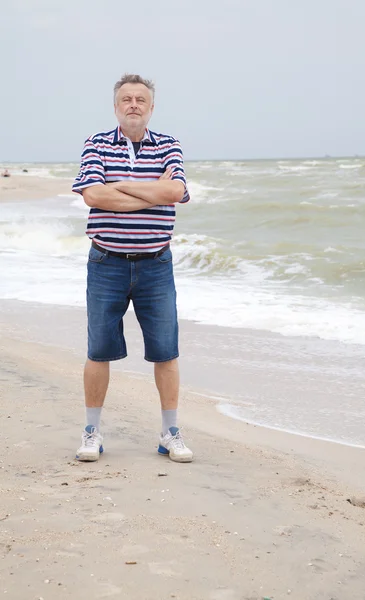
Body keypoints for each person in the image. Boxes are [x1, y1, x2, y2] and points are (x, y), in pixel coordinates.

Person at [72, 73, 193, 463]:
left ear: (151, 107)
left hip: (156, 264)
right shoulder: (96, 143)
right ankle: (92, 433)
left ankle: (170, 433)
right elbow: (92, 194)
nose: (134, 104)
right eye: (127, 99)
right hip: (106, 262)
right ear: (116, 106)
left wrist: (119, 187)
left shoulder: (169, 145)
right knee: (99, 350)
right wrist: (148, 192)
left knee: (165, 352)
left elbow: (175, 192)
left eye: (141, 99)